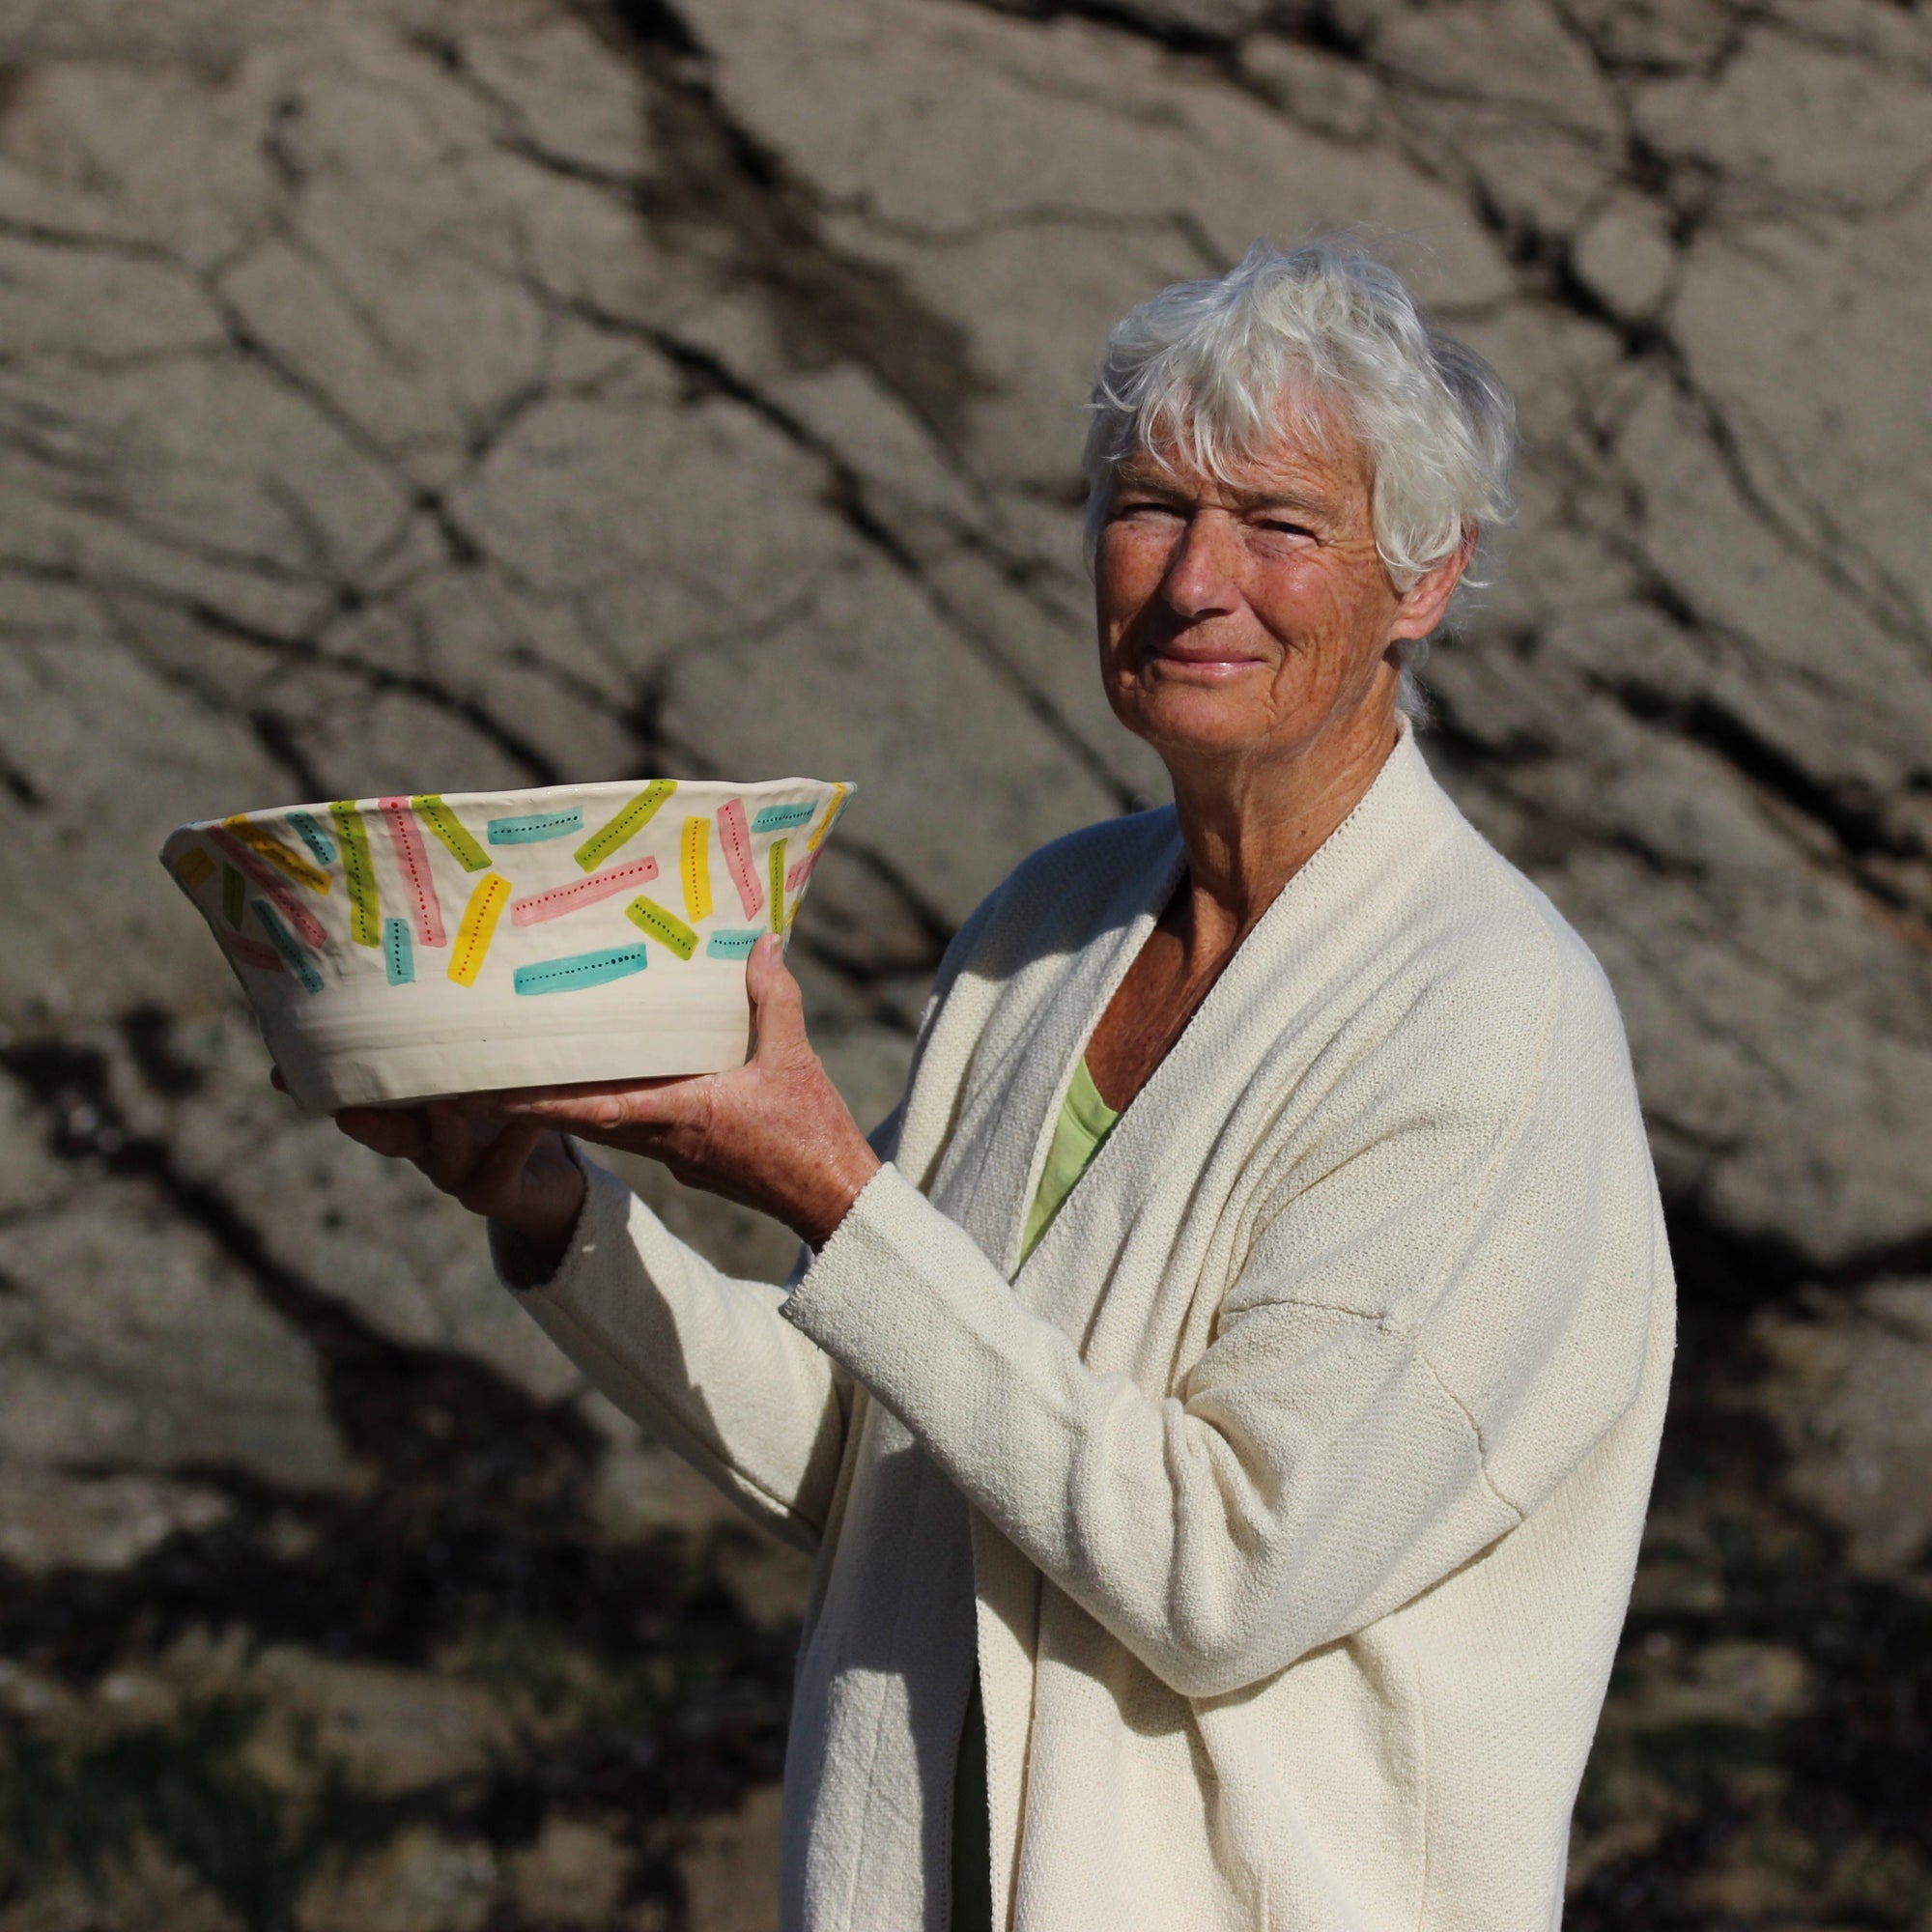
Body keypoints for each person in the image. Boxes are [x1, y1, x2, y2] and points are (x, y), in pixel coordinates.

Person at [329, 239, 1674, 1930]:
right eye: (1148, 506)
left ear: (1424, 580)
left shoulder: (1489, 1022)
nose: (1196, 581)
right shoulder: (1052, 921)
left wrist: (835, 1191)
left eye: (1280, 524)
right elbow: (872, 1442)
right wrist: (547, 1208)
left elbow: (1220, 1572)